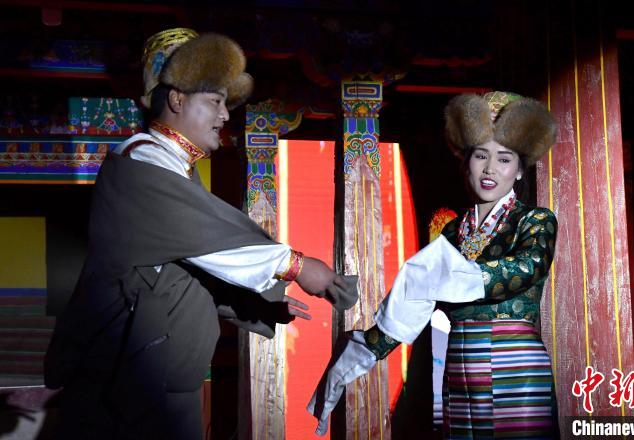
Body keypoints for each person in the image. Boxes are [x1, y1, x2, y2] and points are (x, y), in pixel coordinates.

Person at [45, 28, 356, 440]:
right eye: (214, 101)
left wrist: (257, 305)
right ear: (177, 99)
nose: (225, 115)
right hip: (129, 385)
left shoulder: (174, 167)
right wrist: (297, 266)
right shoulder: (139, 164)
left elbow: (186, 270)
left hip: (159, 381)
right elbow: (212, 237)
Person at [308, 91, 558, 439]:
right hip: (459, 363)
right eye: (481, 155)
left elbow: (527, 268)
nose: (490, 168)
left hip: (513, 363)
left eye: (504, 159)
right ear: (466, 162)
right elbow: (416, 298)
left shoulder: (535, 220)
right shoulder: (454, 232)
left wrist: (452, 278)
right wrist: (363, 350)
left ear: (519, 170)